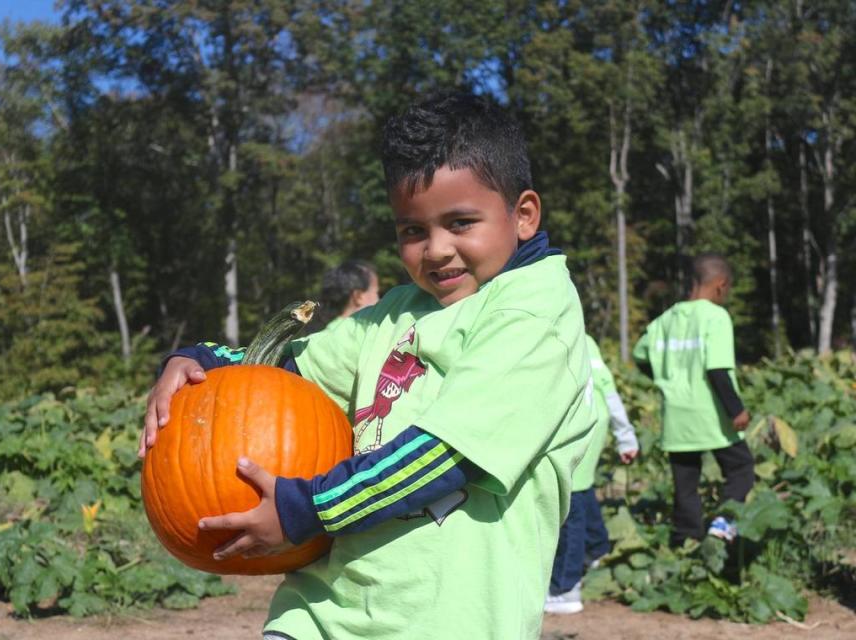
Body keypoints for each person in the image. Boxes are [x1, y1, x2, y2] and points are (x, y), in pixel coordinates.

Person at [140, 91, 597, 639]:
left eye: (460, 223)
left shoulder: (535, 313)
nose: (436, 250)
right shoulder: (392, 315)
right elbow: (281, 371)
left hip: (446, 622)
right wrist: (202, 361)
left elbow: (445, 457)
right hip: (324, 611)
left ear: (522, 215)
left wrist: (301, 508)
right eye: (413, 231)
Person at [632, 253, 753, 547]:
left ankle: (685, 541)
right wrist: (736, 409)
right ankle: (721, 526)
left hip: (677, 416)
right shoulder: (716, 317)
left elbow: (640, 355)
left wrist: (666, 380)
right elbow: (717, 370)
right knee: (742, 468)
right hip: (711, 414)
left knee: (685, 483)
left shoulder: (666, 319)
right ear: (721, 286)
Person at [545, 335, 639, 614]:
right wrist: (625, 435)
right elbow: (608, 389)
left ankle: (566, 587)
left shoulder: (551, 334)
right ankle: (597, 549)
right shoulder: (585, 338)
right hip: (594, 423)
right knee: (581, 489)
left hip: (573, 428)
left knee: (569, 507)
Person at [311, 259, 380, 331]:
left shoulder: (317, 337)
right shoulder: (365, 336)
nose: (379, 300)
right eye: (376, 292)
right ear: (358, 296)